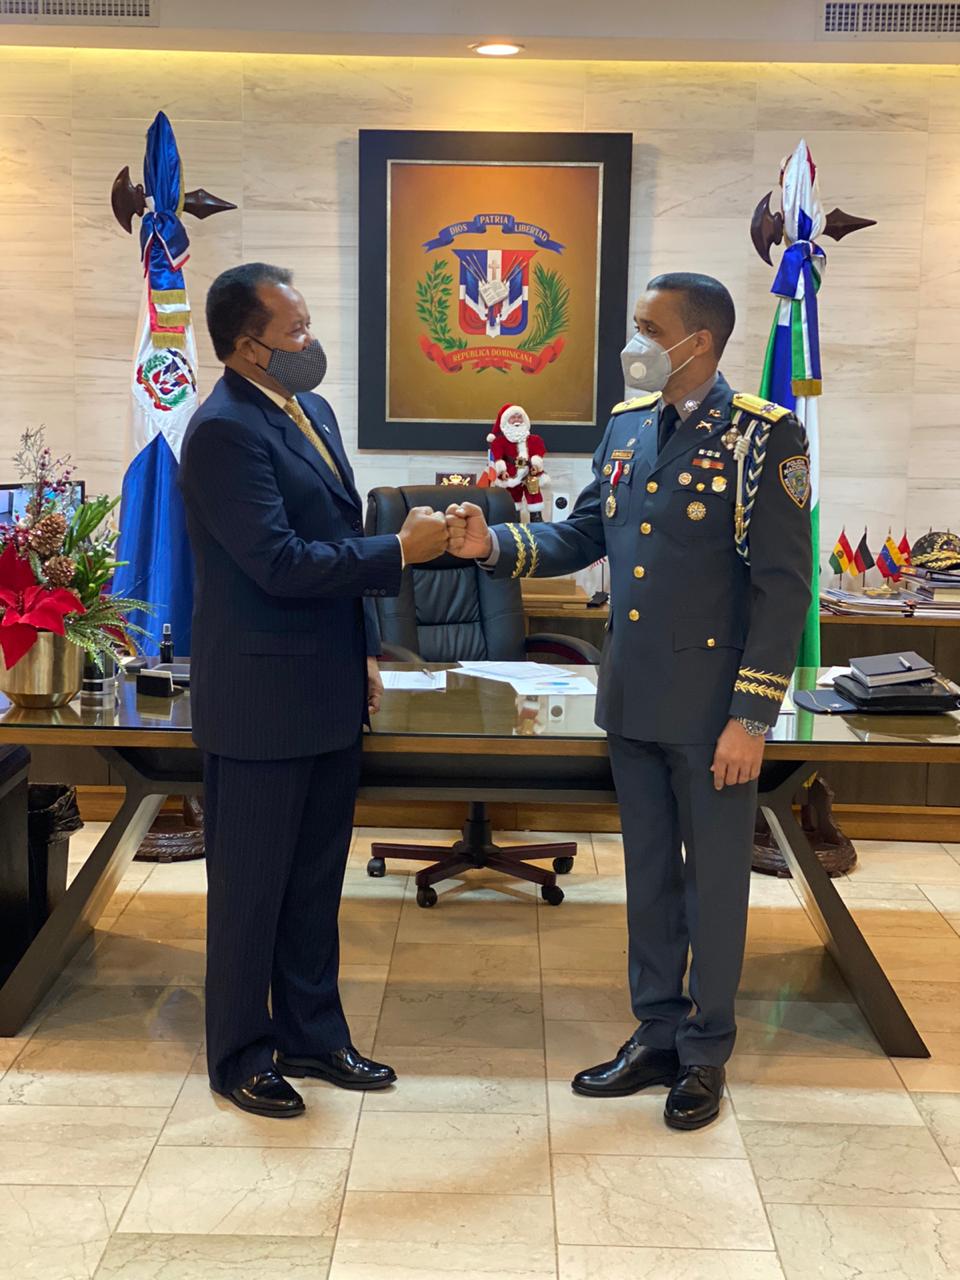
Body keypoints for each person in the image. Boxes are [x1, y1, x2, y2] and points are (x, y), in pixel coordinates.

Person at [446, 272, 812, 1130]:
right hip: (634, 696)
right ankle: (656, 1031)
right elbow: (584, 533)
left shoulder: (762, 436)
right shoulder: (627, 425)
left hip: (714, 710)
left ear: (700, 342)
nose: (635, 342)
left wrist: (751, 718)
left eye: (651, 328)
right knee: (647, 877)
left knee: (713, 883)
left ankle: (705, 1050)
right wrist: (493, 543)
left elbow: (783, 589)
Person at [179, 263, 448, 1117]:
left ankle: (313, 1036)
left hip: (328, 687)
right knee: (250, 892)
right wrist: (399, 552)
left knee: (312, 885)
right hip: (259, 702)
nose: (310, 342)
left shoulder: (312, 410)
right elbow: (280, 563)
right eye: (294, 332)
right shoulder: (222, 432)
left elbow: (331, 532)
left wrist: (364, 648)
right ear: (245, 347)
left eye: (307, 325)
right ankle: (240, 1055)